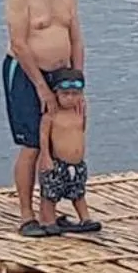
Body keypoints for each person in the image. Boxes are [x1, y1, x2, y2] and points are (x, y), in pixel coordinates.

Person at [3, 0, 85, 234]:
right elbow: (19, 43)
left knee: (59, 141)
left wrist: (77, 83)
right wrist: (40, 87)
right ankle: (27, 216)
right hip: (26, 73)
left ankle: (49, 212)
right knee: (33, 144)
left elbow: (76, 38)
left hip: (62, 74)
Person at [30, 70, 99, 236]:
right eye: (65, 94)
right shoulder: (51, 115)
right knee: (51, 194)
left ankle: (85, 218)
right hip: (57, 163)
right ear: (56, 94)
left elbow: (81, 131)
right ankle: (48, 220)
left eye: (75, 94)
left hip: (77, 163)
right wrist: (45, 157)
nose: (70, 98)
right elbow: (43, 137)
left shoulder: (79, 112)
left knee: (78, 192)